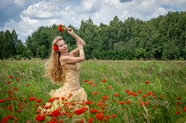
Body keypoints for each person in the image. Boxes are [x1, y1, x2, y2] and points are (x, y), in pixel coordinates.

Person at [38, 28, 88, 115]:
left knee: (75, 115)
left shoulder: (71, 54)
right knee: (65, 113)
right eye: (61, 45)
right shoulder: (63, 58)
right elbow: (82, 58)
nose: (64, 46)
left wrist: (73, 34)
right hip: (69, 90)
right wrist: (80, 49)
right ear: (57, 49)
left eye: (64, 43)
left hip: (77, 89)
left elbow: (83, 44)